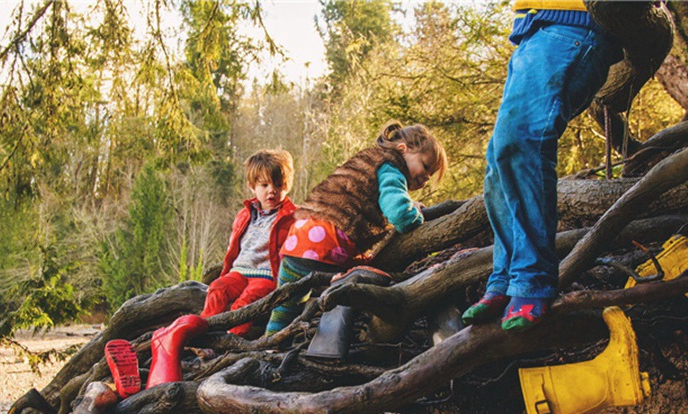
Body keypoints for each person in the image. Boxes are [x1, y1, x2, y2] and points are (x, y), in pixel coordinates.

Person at [461, 1, 623, 332]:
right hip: (534, 33)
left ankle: (531, 281)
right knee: (498, 160)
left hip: (575, 28)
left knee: (522, 141)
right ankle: (505, 280)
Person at [105, 149, 296, 397]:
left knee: (246, 302)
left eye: (278, 185)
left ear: (287, 186)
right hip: (239, 270)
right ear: (252, 186)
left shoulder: (291, 217)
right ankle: (201, 340)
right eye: (264, 185)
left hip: (267, 275)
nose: (272, 191)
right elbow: (234, 246)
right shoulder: (245, 214)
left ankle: (228, 346)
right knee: (217, 289)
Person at [264, 121, 447, 335]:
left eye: (430, 175)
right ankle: (330, 349)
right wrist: (417, 216)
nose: (426, 178)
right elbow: (399, 214)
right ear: (402, 150)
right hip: (326, 247)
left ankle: (270, 347)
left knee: (285, 309)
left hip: (299, 239)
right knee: (349, 296)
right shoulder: (392, 167)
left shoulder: (368, 160)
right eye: (425, 166)